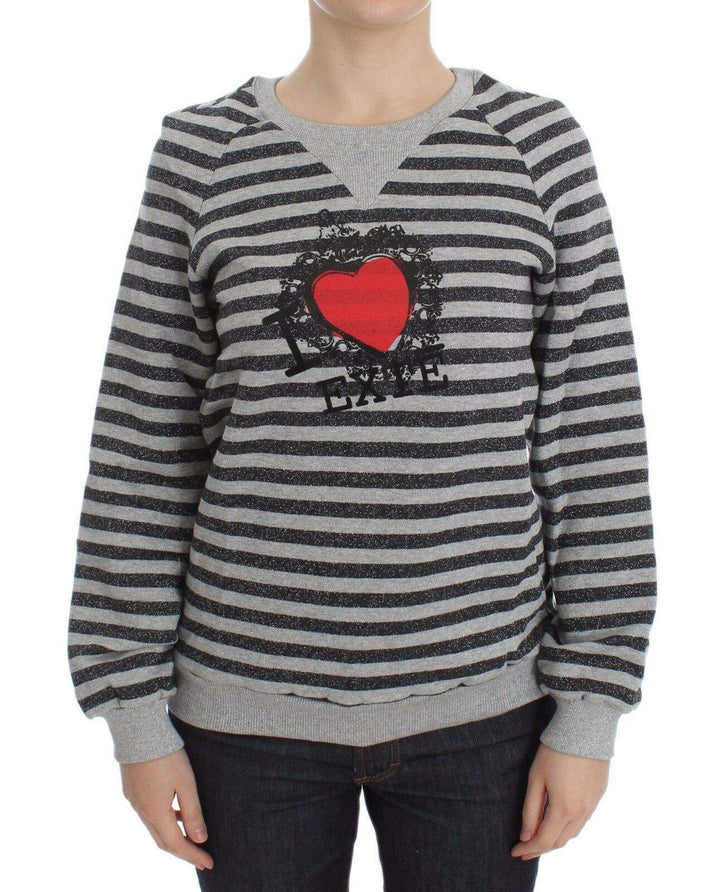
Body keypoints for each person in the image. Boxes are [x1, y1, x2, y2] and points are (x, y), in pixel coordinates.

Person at [66, 1, 658, 889]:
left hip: (489, 713)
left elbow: (593, 435)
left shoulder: (537, 148)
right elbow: (142, 445)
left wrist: (592, 707)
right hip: (243, 722)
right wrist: (134, 717)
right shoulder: (203, 153)